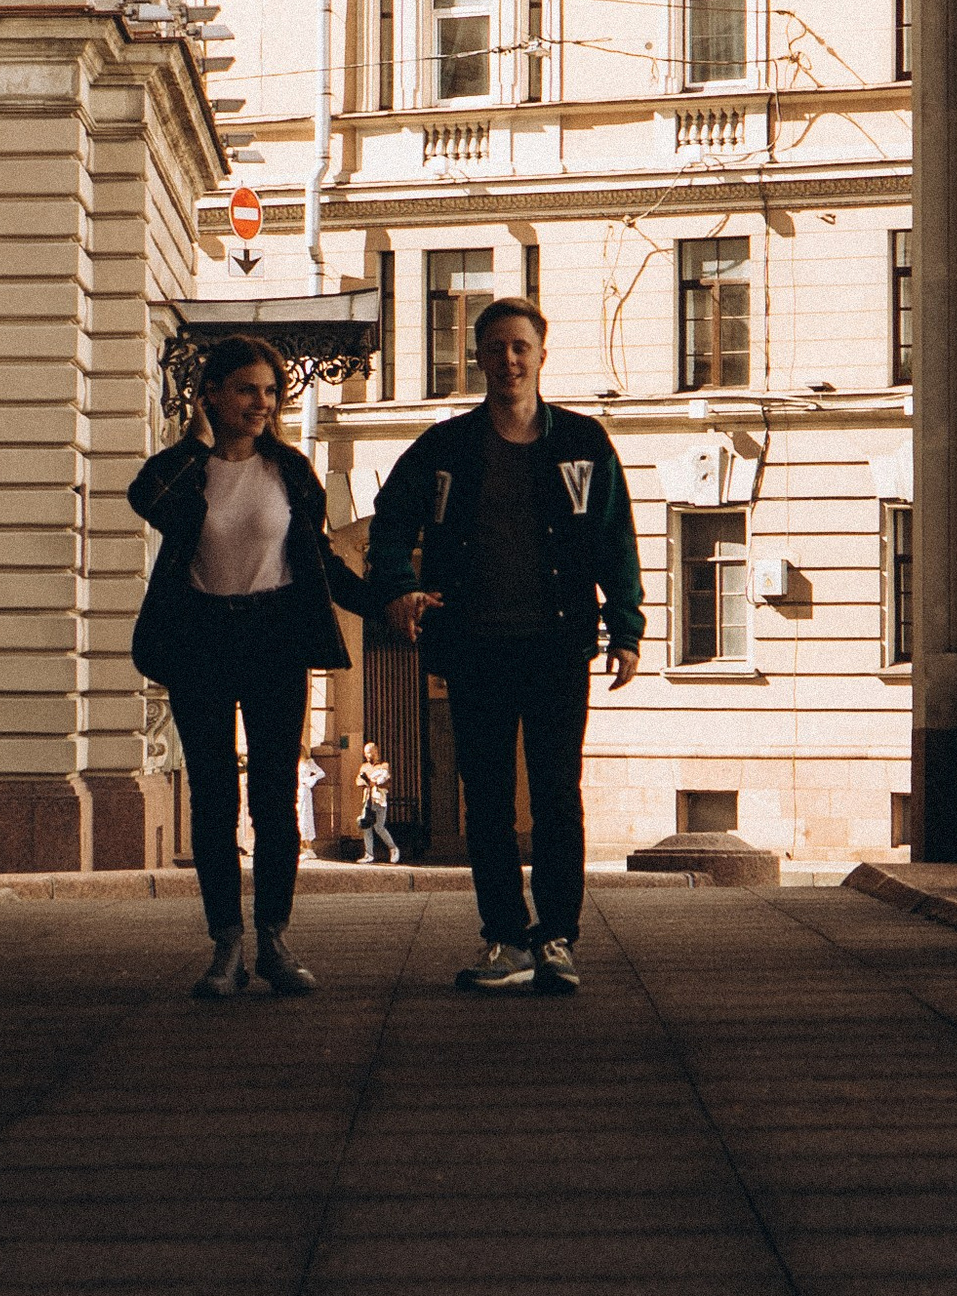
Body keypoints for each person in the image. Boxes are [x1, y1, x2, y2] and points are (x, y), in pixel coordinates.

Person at [365, 295, 643, 995]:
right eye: (496, 348)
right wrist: (400, 585)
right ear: (479, 358)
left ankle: (555, 938)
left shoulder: (583, 442)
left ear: (541, 355)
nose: (509, 360)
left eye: (521, 347)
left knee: (556, 794)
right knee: (483, 798)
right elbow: (389, 521)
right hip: (475, 647)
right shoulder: (445, 447)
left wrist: (628, 628)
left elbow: (617, 541)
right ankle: (504, 939)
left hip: (556, 645)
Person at [128, 334, 371, 999]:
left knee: (271, 797)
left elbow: (320, 561)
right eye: (246, 389)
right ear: (211, 395)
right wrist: (199, 445)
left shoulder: (289, 470)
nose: (261, 403)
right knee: (212, 797)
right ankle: (225, 945)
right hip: (200, 638)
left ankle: (273, 939)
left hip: (274, 639)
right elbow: (142, 496)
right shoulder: (186, 471)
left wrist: (387, 600)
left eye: (270, 391)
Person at [356, 740, 399, 865]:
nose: (366, 755)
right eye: (365, 753)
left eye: (369, 752)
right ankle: (368, 854)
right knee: (366, 826)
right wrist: (370, 781)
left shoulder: (383, 766)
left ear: (375, 751)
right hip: (367, 800)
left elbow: (385, 781)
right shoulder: (364, 766)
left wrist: (370, 780)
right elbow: (358, 781)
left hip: (379, 799)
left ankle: (393, 848)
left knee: (379, 827)